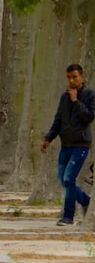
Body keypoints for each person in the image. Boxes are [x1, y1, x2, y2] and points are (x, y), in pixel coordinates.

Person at [40, 63, 95, 226]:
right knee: (63, 180)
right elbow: (58, 120)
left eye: (74, 77)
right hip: (66, 145)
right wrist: (48, 138)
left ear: (81, 77)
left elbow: (89, 117)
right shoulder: (64, 97)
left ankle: (68, 216)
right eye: (69, 77)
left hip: (81, 145)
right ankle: (86, 202)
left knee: (69, 178)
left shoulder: (90, 95)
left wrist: (76, 101)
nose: (71, 80)